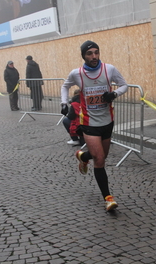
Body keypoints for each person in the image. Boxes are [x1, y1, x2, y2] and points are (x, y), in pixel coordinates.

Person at [60, 40, 128, 212]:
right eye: (90, 54)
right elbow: (65, 86)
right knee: (99, 159)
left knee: (102, 155)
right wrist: (63, 103)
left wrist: (114, 94)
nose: (94, 56)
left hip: (107, 121)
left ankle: (83, 157)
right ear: (83, 55)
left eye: (96, 52)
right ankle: (108, 198)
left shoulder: (109, 69)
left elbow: (124, 85)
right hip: (89, 122)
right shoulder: (77, 73)